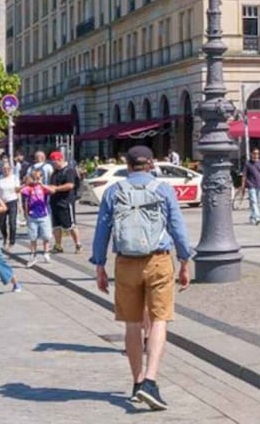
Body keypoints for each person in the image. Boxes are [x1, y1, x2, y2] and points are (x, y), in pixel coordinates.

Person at [91, 145, 194, 411]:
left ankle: (137, 383)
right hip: (158, 260)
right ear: (150, 164)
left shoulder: (114, 191)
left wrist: (100, 265)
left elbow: (102, 229)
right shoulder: (163, 189)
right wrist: (184, 260)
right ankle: (150, 380)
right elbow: (177, 227)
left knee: (132, 325)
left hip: (125, 263)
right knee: (159, 319)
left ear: (127, 165)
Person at [46, 151, 82, 254]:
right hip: (54, 201)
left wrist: (56, 188)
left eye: (54, 162)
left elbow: (70, 185)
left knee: (70, 225)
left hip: (65, 201)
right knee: (56, 225)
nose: (53, 164)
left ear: (60, 159)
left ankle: (78, 245)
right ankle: (58, 246)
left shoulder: (69, 171)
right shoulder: (55, 172)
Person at [20, 167, 53, 266]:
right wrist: (26, 214)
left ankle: (46, 252)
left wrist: (42, 184)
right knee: (32, 237)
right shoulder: (28, 188)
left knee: (46, 235)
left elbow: (52, 191)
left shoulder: (43, 188)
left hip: (44, 215)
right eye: (34, 177)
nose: (36, 179)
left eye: (38, 177)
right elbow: (25, 201)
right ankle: (33, 255)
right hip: (32, 215)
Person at [0, 159, 20, 248]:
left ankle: (12, 241)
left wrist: (19, 204)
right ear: (2, 169)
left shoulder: (14, 178)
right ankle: (5, 237)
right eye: (4, 168)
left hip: (12, 201)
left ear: (11, 169)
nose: (6, 170)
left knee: (12, 222)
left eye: (8, 168)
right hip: (1, 202)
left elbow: (17, 190)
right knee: (2, 223)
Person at [243, 149, 260, 226]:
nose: (256, 155)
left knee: (257, 201)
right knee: (254, 201)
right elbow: (244, 176)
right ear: (251, 154)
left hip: (259, 184)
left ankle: (252, 217)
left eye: (257, 153)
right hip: (251, 185)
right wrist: (243, 186)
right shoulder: (248, 164)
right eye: (254, 153)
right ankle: (257, 217)